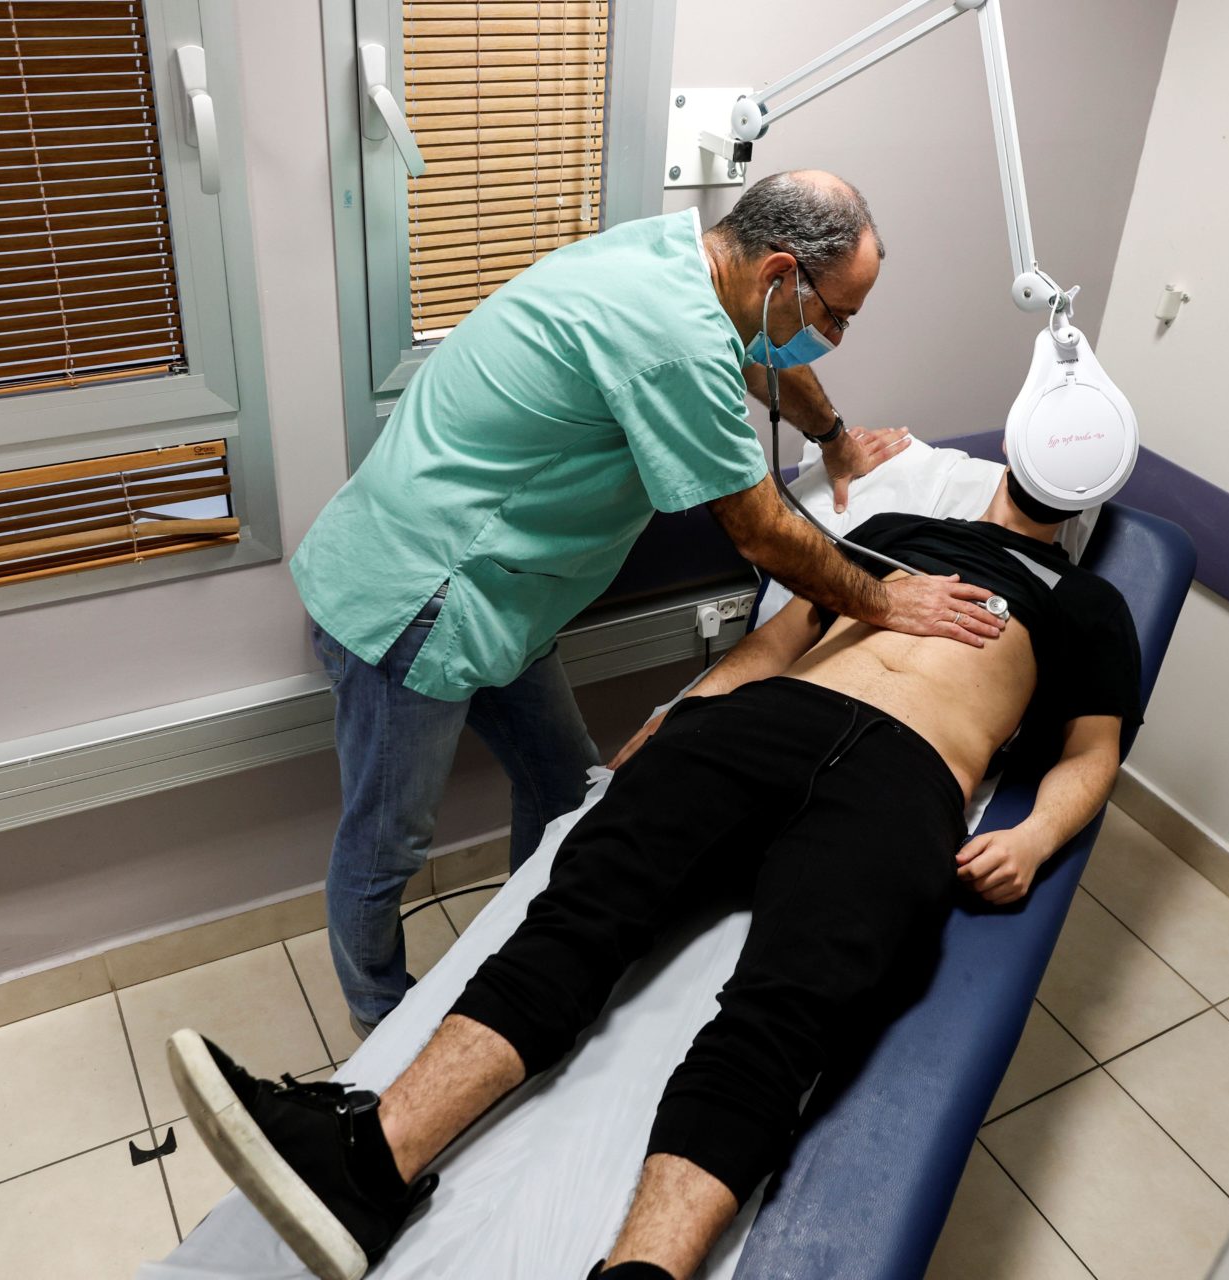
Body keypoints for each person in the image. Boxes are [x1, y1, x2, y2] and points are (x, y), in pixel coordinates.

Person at [170, 454, 1142, 1280]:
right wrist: (688, 707)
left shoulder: (1092, 606)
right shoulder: (892, 524)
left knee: (786, 1009)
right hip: (762, 724)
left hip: (909, 774)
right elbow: (779, 637)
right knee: (581, 909)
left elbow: (1091, 750)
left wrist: (1031, 835)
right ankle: (367, 1164)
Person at [291, 170, 1008, 1039]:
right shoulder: (673, 336)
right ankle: (379, 1021)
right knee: (386, 845)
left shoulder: (679, 256)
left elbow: (754, 350)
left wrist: (833, 439)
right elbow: (763, 534)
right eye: (835, 316)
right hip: (417, 598)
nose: (836, 337)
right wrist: (887, 602)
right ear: (779, 272)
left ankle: (521, 964)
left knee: (565, 787)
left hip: (503, 599)